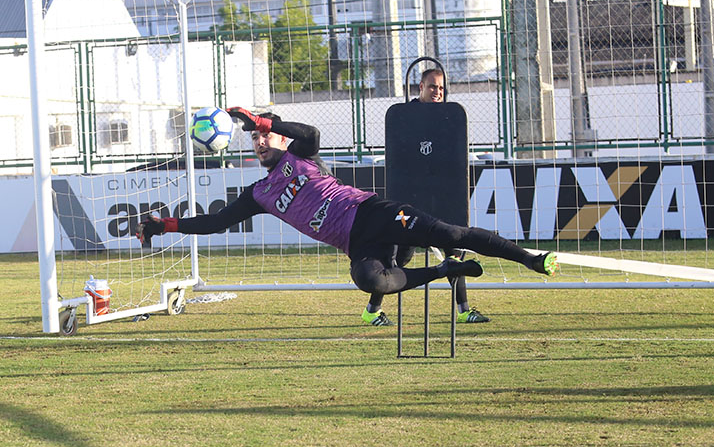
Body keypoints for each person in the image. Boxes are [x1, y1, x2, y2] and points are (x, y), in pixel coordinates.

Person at [135, 108, 558, 311]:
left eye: (265, 137)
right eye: (254, 139)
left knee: (449, 235)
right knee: (370, 279)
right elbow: (216, 222)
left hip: (372, 212)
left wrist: (267, 123)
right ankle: (444, 272)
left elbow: (311, 131)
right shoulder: (260, 193)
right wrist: (164, 224)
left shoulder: (301, 156)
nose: (259, 143)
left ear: (280, 139)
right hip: (354, 242)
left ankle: (531, 259)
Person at [361, 67, 486, 327]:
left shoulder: (449, 118)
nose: (437, 92)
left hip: (442, 200)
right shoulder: (405, 118)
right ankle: (372, 310)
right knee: (398, 260)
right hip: (410, 204)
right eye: (432, 87)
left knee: (455, 253)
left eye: (441, 88)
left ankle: (463, 310)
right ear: (420, 87)